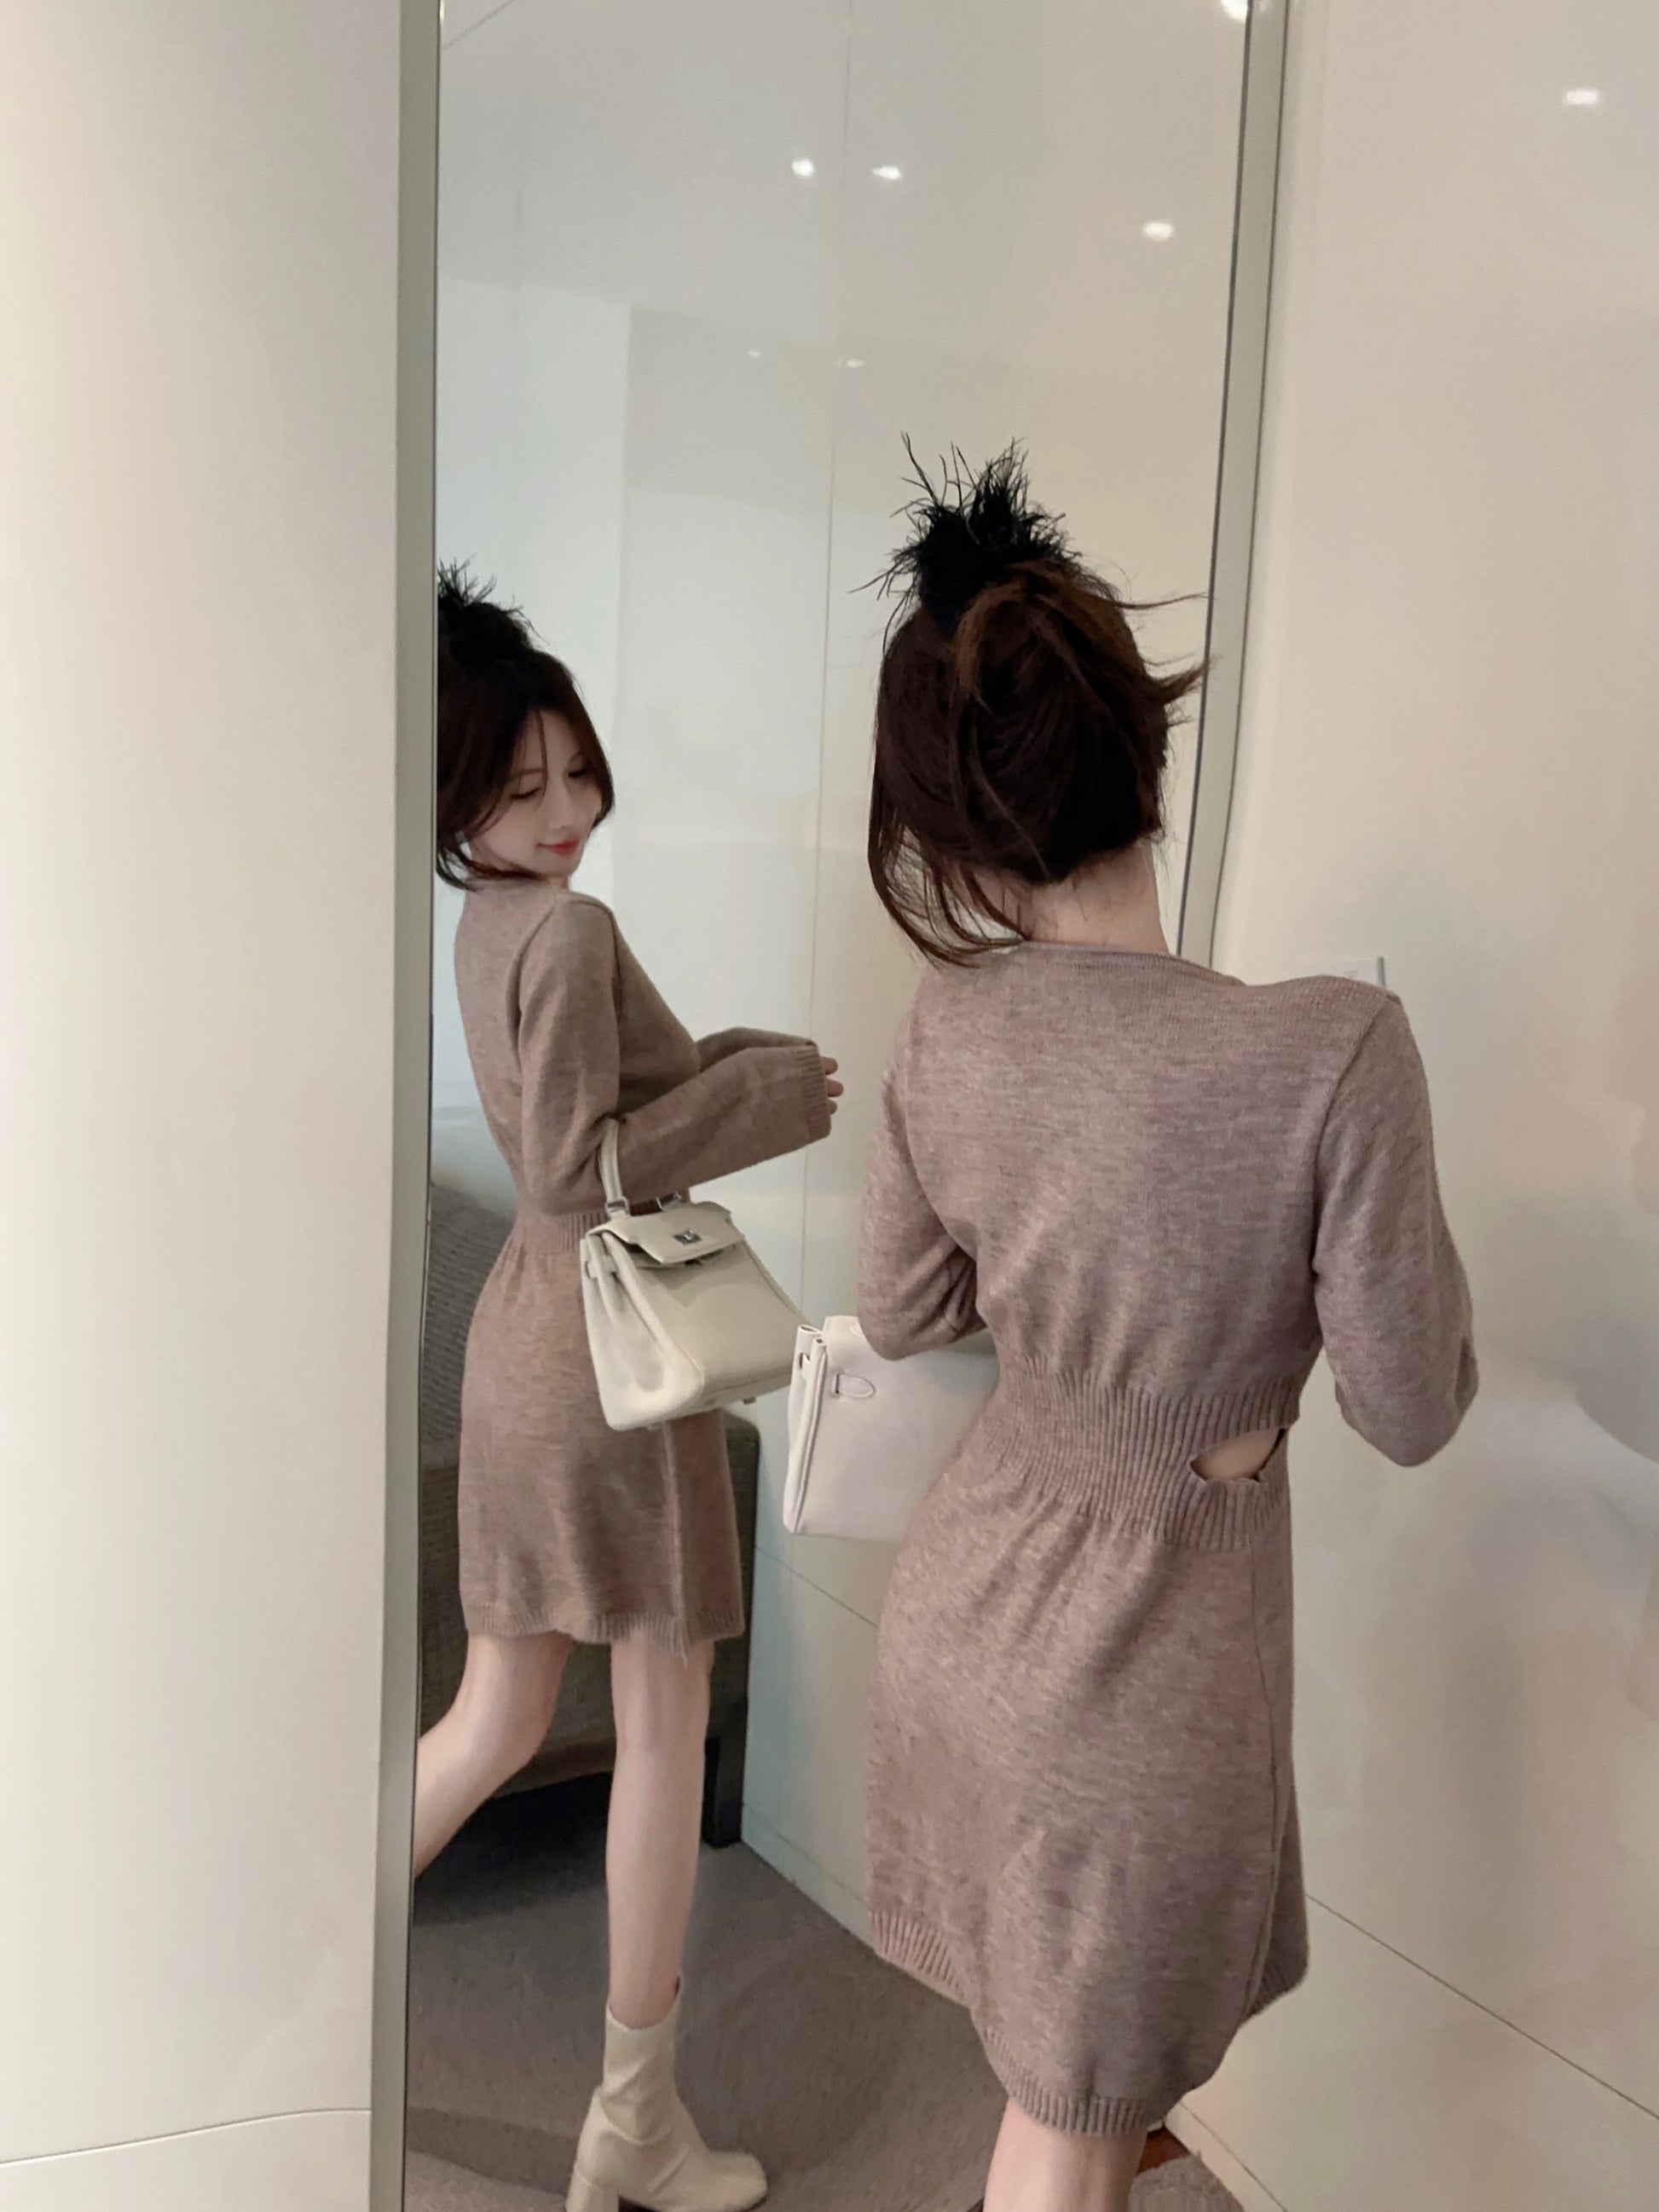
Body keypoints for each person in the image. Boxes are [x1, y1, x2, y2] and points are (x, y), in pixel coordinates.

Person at [856, 450, 1477, 2212]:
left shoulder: (947, 1028)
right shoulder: (1332, 1049)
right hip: (1136, 1687)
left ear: (953, 832)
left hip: (961, 1623)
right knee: (1072, 2115)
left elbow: (905, 1306)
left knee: (1061, 2093)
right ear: (1144, 748)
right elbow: (1412, 1400)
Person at [417, 569, 840, 2212]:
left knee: (496, 1718)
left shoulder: (489, 921)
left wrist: (737, 1063)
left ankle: (286, 1987)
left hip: (523, 1344)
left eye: (577, 772)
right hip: (601, 1354)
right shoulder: (570, 924)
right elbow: (578, 1166)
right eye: (523, 785)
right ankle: (635, 2124)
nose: (566, 811)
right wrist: (768, 1101)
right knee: (662, 1719)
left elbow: (598, 1106)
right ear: (459, 796)